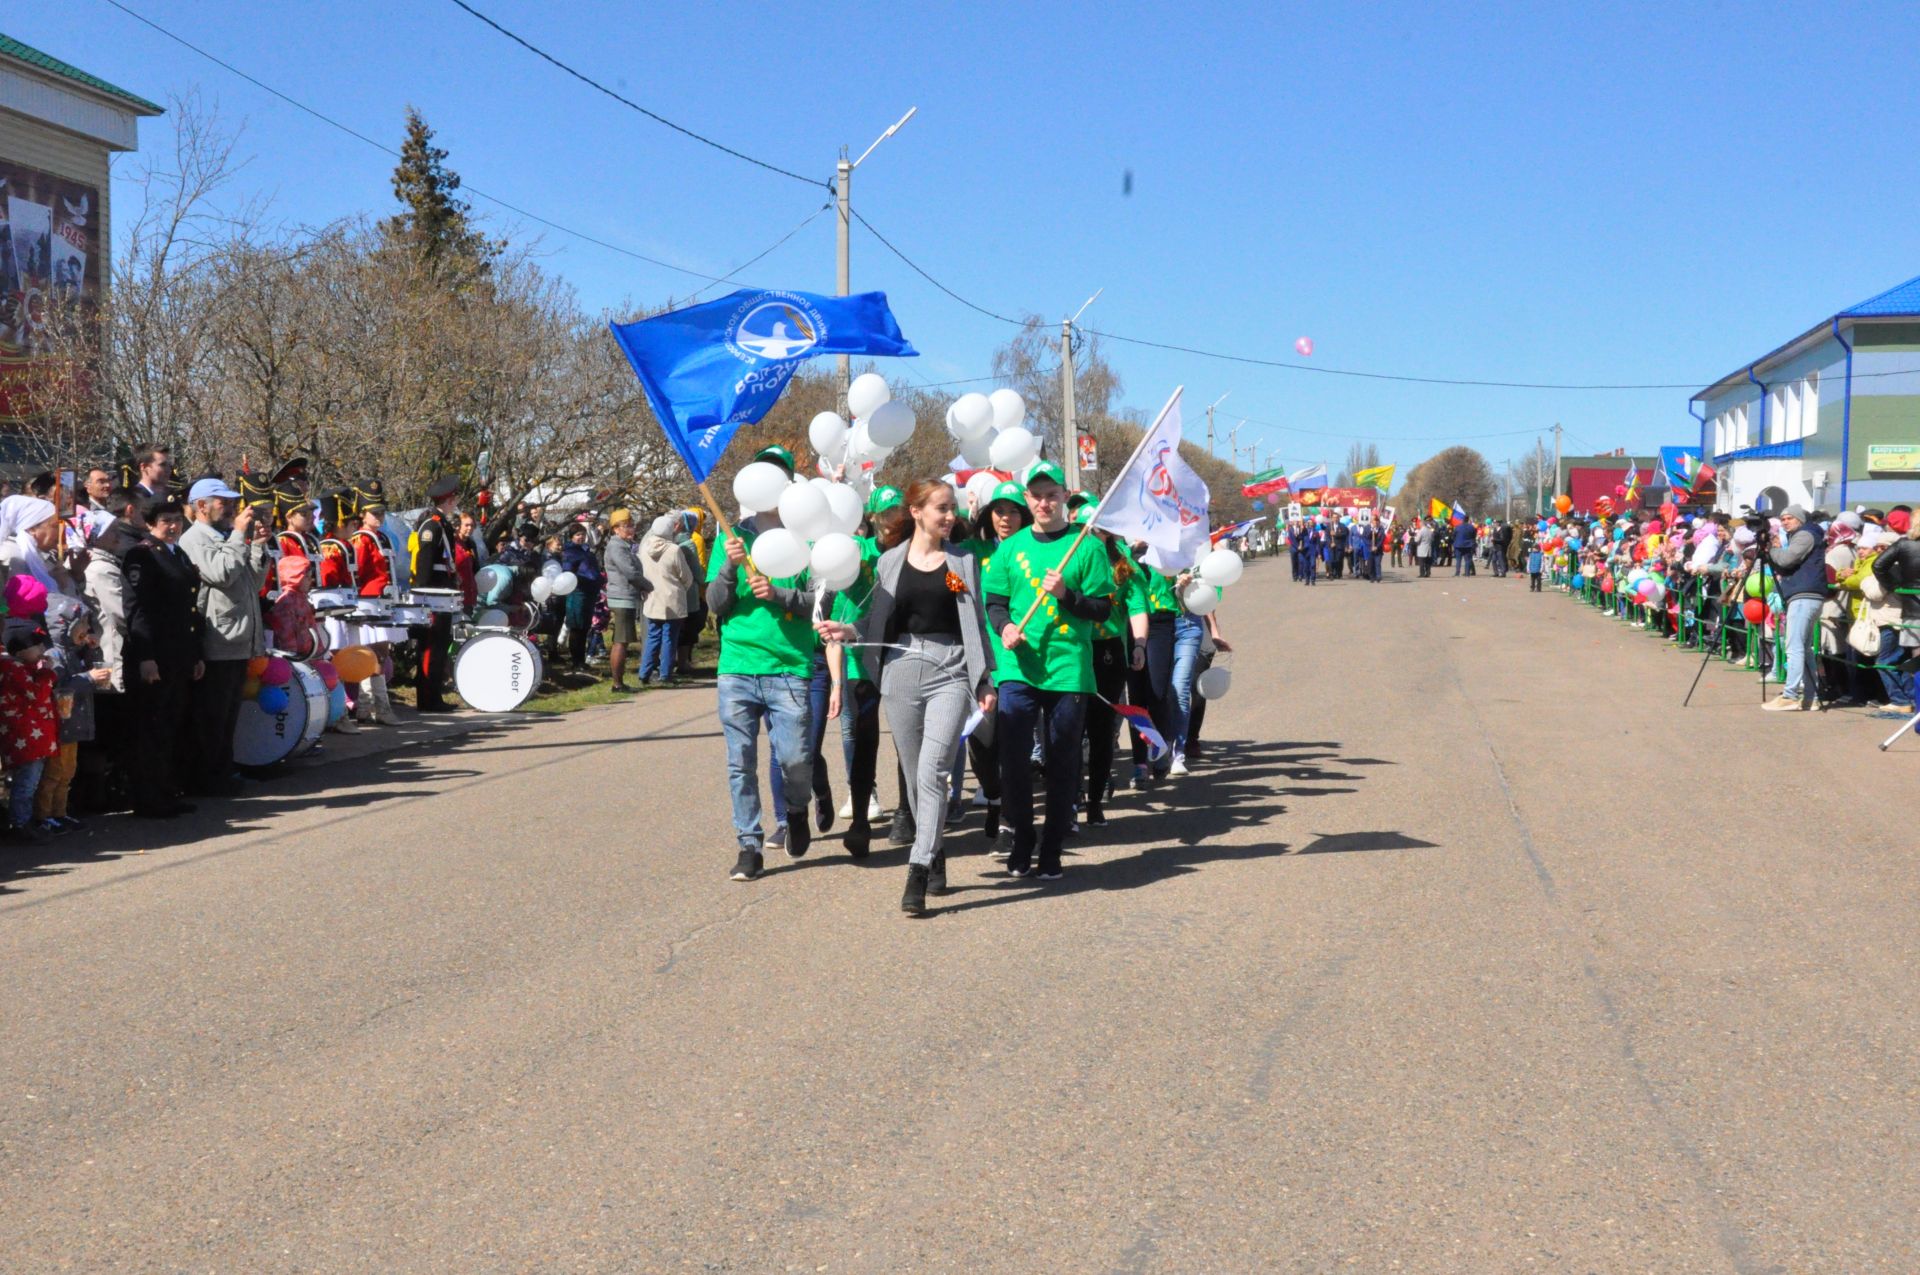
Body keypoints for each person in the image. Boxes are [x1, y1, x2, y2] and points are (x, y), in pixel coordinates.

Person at [817, 479, 995, 915]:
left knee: (934, 770)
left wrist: (983, 677)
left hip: (950, 671)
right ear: (916, 511)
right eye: (941, 508)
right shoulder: (890, 562)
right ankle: (936, 852)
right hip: (900, 674)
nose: (950, 516)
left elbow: (973, 622)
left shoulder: (962, 563)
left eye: (953, 508)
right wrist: (848, 632)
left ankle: (917, 867)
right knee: (917, 775)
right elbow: (879, 620)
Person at [982, 460, 1114, 880]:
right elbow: (995, 603)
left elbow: (1103, 608)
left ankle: (1052, 846)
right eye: (1036, 495)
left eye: (1052, 494)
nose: (1044, 502)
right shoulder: (1011, 547)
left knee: (1063, 760)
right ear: (1027, 499)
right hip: (1018, 667)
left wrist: (1067, 594)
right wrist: (1003, 628)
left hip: (1068, 669)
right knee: (1015, 760)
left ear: (1064, 497)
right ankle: (1022, 838)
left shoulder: (1086, 546)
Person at [707, 452, 818, 882]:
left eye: (778, 473)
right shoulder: (731, 536)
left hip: (789, 667)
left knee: (794, 759)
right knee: (740, 761)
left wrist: (778, 596)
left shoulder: (806, 538)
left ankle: (795, 809)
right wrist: (731, 568)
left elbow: (817, 603)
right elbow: (716, 605)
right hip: (737, 666)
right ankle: (748, 845)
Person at [178, 476, 272, 795]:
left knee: (228, 717)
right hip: (217, 641)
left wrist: (257, 546)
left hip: (237, 639)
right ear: (201, 506)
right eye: (224, 501)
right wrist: (238, 536)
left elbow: (251, 583)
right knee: (211, 718)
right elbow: (222, 573)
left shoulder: (223, 536)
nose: (231, 507)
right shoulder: (194, 540)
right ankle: (207, 779)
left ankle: (223, 772)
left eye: (232, 502)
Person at [121, 499, 200, 818]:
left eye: (178, 520)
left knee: (170, 724)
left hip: (179, 653)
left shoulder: (177, 553)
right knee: (152, 726)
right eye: (166, 520)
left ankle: (166, 789)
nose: (173, 526)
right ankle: (148, 797)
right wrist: (146, 657)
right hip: (156, 654)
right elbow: (137, 609)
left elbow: (188, 610)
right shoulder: (142, 554)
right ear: (150, 523)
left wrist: (195, 653)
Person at [36, 593, 102, 832]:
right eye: (82, 624)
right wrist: (88, 678)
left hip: (72, 725)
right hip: (59, 728)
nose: (86, 629)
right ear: (64, 626)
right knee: (53, 775)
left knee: (67, 773)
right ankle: (43, 816)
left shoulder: (72, 653)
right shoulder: (54, 655)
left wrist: (93, 653)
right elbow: (59, 689)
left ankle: (60, 812)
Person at [1, 600, 60, 843]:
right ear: (19, 649)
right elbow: (36, 693)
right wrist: (46, 673)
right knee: (26, 782)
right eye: (35, 645)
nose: (40, 650)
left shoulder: (20, 667)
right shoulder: (12, 667)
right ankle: (20, 824)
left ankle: (20, 820)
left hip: (32, 734)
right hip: (26, 735)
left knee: (26, 780)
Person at [1763, 505, 1826, 712]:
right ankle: (1811, 697)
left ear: (1800, 519)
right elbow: (1785, 564)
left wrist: (1772, 550)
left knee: (1794, 646)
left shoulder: (1805, 535)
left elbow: (1788, 559)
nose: (1785, 522)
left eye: (1789, 518)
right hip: (1804, 594)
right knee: (1804, 648)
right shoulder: (1803, 535)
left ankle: (1790, 695)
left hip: (1804, 595)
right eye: (1782, 519)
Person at [409, 476, 462, 712]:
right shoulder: (431, 526)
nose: (456, 501)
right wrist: (422, 599)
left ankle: (434, 696)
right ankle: (428, 698)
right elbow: (424, 564)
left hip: (443, 591)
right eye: (454, 498)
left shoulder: (442, 524)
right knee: (431, 645)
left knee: (440, 644)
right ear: (448, 500)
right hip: (432, 594)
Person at [602, 508, 648, 692]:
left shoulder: (624, 545)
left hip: (625, 596)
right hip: (622, 597)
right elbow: (629, 572)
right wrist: (647, 585)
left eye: (631, 525)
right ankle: (617, 683)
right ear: (615, 529)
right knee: (621, 641)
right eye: (626, 526)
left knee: (623, 640)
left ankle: (619, 682)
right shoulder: (617, 546)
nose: (630, 529)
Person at [559, 523, 604, 672]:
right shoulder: (569, 552)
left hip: (590, 591)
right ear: (572, 537)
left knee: (585, 627)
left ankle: (581, 660)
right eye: (578, 535)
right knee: (576, 627)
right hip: (577, 592)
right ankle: (575, 660)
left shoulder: (586, 551)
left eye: (583, 534)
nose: (581, 537)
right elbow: (568, 572)